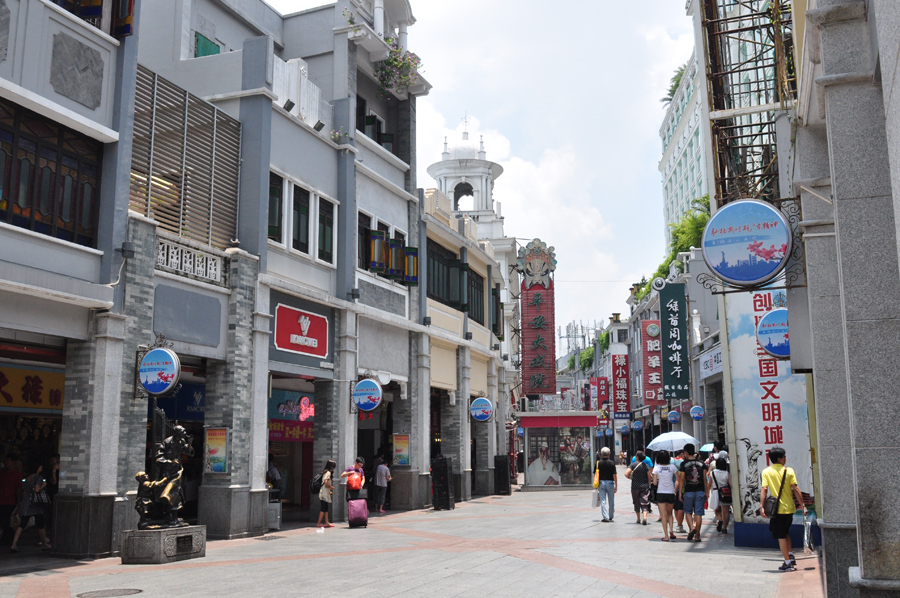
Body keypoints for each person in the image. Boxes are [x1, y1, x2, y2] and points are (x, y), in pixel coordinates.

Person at [760, 446, 806, 572]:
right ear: (779, 459)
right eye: (784, 456)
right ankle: (790, 555)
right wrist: (803, 505)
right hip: (789, 508)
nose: (785, 458)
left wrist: (761, 506)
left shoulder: (766, 472)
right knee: (785, 532)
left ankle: (787, 563)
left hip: (777, 510)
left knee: (780, 535)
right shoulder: (789, 471)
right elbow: (795, 489)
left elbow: (764, 489)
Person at [10, 464, 51, 552]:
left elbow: (24, 491)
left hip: (26, 502)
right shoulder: (38, 478)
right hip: (35, 504)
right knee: (40, 524)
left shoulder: (27, 478)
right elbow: (37, 489)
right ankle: (44, 544)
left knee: (22, 524)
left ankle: (14, 544)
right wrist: (43, 485)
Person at [675, 443, 708, 542]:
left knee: (688, 511)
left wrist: (680, 492)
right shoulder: (702, 463)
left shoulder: (683, 464)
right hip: (700, 491)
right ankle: (697, 535)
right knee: (698, 513)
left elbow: (681, 479)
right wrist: (706, 492)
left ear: (685, 452)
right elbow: (705, 479)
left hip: (688, 491)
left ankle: (692, 529)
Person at [652, 451, 678, 541]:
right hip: (671, 492)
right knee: (670, 513)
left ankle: (666, 536)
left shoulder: (656, 468)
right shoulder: (673, 467)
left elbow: (655, 483)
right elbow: (678, 478)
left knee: (663, 515)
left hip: (661, 493)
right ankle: (671, 531)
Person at [624, 450, 651, 525]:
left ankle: (638, 518)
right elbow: (649, 477)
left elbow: (626, 474)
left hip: (635, 486)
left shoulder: (633, 465)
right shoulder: (646, 466)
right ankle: (645, 517)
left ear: (637, 457)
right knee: (645, 502)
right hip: (644, 486)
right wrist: (648, 486)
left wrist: (631, 478)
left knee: (636, 502)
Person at [0, 454, 22, 545]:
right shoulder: (2, 473)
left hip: (11, 501)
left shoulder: (17, 475)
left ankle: (8, 538)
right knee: (3, 520)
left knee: (10, 521)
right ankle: (7, 537)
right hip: (2, 500)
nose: (6, 463)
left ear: (13, 462)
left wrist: (19, 501)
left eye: (8, 461)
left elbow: (18, 489)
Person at [708, 456, 732, 534]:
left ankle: (720, 520)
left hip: (716, 493)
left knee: (717, 510)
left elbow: (710, 484)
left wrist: (707, 492)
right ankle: (724, 528)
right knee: (726, 511)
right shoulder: (726, 473)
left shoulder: (713, 473)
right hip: (725, 493)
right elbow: (731, 484)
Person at [595, 447, 617, 522]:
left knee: (603, 500)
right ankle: (611, 515)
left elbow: (595, 474)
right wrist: (616, 485)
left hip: (601, 483)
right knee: (611, 500)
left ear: (601, 454)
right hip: (610, 482)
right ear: (609, 454)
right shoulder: (612, 463)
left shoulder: (598, 463)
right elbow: (614, 475)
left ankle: (606, 517)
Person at [316, 460, 336, 528]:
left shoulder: (326, 472)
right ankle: (319, 523)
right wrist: (331, 487)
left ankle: (327, 522)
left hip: (324, 492)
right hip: (324, 492)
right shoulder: (328, 473)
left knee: (326, 508)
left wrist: (329, 490)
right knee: (323, 508)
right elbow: (326, 482)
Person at [672, 449, 687, 534]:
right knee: (681, 507)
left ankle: (678, 523)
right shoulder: (683, 462)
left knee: (676, 507)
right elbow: (680, 478)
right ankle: (679, 524)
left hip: (671, 487)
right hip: (681, 487)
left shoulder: (671, 461)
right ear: (682, 454)